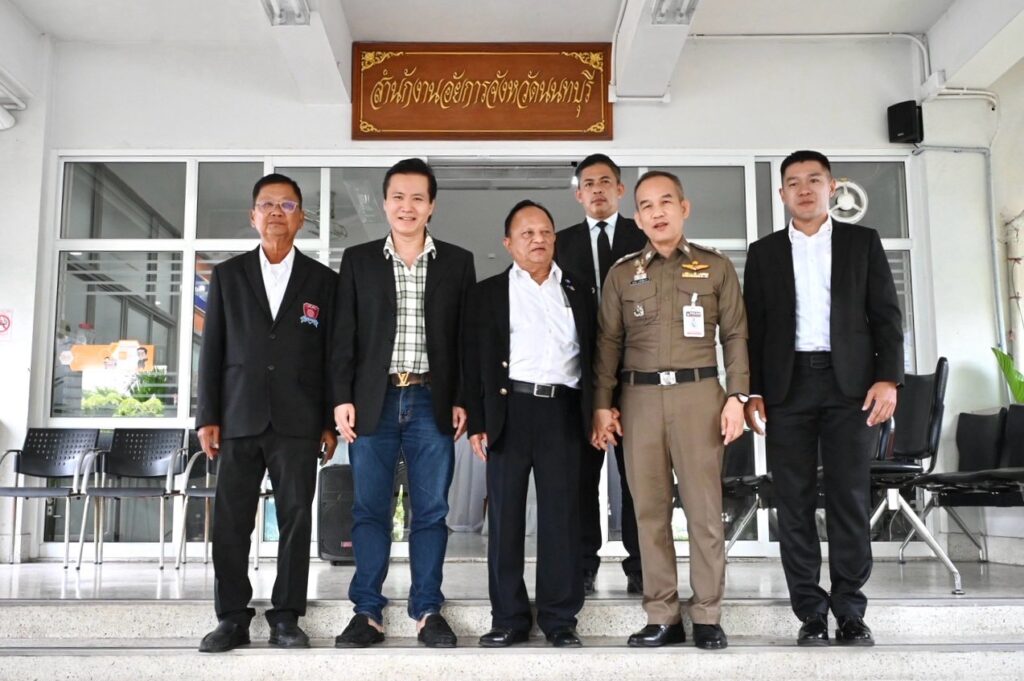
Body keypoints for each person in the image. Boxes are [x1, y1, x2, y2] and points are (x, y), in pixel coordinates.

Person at [743, 150, 903, 647]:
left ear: (832, 187)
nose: (804, 189)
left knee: (848, 497)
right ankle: (810, 613)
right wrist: (753, 391)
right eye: (794, 182)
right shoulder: (764, 252)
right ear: (782, 194)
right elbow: (754, 328)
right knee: (792, 501)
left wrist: (889, 379)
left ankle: (850, 611)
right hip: (786, 386)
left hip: (850, 385)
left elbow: (886, 316)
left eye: (814, 179)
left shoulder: (862, 242)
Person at [592, 170, 748, 650]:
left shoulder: (715, 267)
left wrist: (737, 397)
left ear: (684, 208)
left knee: (704, 512)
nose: (656, 213)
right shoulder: (622, 274)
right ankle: (662, 614)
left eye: (665, 202)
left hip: (699, 395)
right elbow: (608, 344)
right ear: (636, 218)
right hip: (638, 400)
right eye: (646, 206)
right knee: (649, 512)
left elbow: (735, 335)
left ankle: (707, 615)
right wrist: (602, 406)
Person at [331, 158, 476, 648]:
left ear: (431, 205)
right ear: (384, 203)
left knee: (431, 511)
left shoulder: (457, 262)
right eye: (398, 197)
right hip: (373, 401)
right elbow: (343, 337)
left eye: (417, 198)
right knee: (369, 509)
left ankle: (427, 610)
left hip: (432, 400)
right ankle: (367, 612)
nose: (407, 206)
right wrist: (341, 398)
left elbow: (465, 340)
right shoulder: (359, 260)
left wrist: (462, 398)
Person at [195, 173, 338, 653]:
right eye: (268, 204)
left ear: (301, 217)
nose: (277, 212)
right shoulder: (228, 276)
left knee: (296, 518)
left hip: (299, 420)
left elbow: (332, 356)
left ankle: (286, 617)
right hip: (238, 415)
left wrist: (326, 421)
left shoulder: (323, 281)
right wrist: (207, 415)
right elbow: (212, 350)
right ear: (253, 216)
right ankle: (231, 618)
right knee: (232, 521)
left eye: (287, 204)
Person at [464, 200, 596, 648]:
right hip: (510, 411)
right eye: (527, 233)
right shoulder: (487, 294)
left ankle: (560, 619)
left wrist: (598, 409)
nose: (538, 240)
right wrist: (477, 420)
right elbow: (472, 363)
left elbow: (595, 355)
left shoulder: (578, 290)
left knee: (563, 517)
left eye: (545, 232)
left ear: (555, 238)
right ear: (508, 243)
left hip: (564, 411)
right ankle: (509, 618)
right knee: (505, 519)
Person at [555, 153, 646, 596]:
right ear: (578, 194)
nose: (596, 189)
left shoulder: (643, 237)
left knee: (638, 476)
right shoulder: (559, 243)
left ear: (620, 190)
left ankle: (641, 565)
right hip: (579, 377)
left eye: (605, 181)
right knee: (579, 477)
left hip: (636, 374)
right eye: (588, 183)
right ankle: (582, 563)